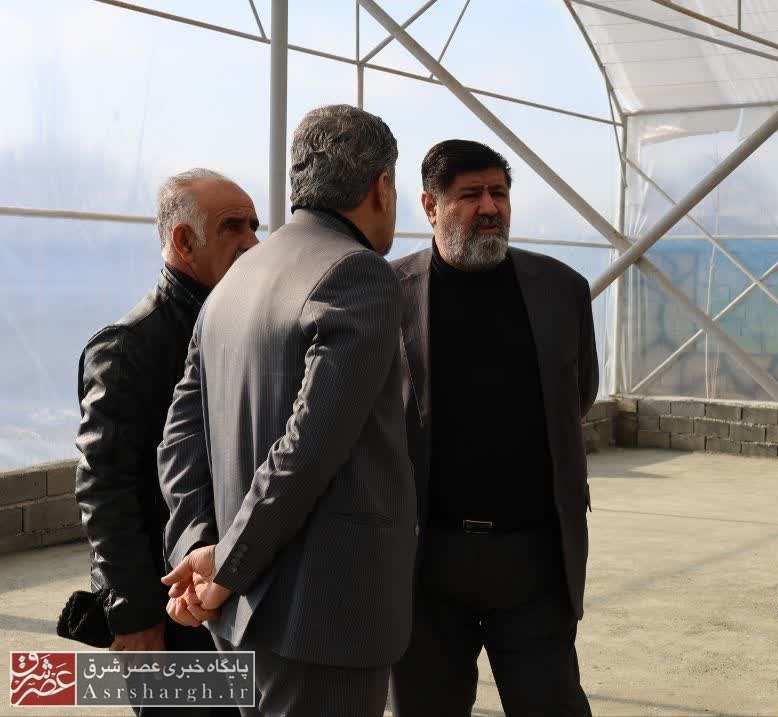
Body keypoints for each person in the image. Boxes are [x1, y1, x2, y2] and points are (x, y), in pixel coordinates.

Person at [157, 104, 414, 717]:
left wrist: (200, 547)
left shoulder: (235, 278)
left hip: (236, 615)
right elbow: (308, 447)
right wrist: (227, 565)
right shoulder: (358, 273)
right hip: (324, 619)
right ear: (381, 187)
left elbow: (180, 437)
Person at [388, 139, 598, 716]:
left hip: (533, 561)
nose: (490, 207)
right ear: (429, 206)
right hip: (423, 562)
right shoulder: (385, 293)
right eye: (470, 195)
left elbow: (579, 393)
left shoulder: (562, 289)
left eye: (499, 193)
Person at [73, 168, 257, 716]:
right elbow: (105, 490)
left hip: (231, 595)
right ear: (183, 240)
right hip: (172, 611)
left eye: (254, 225)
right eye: (232, 227)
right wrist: (135, 614)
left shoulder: (246, 326)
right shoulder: (127, 348)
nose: (252, 241)